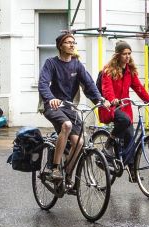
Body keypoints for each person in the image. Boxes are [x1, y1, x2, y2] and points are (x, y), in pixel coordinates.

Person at [37, 32, 105, 185]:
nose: (72, 44)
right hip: (52, 106)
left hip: (70, 108)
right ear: (60, 46)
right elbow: (43, 84)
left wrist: (99, 99)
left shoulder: (77, 65)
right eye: (68, 42)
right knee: (66, 126)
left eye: (73, 42)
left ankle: (67, 174)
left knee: (79, 142)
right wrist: (51, 98)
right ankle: (54, 168)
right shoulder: (51, 63)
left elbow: (89, 84)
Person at [98, 40, 149, 156]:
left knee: (130, 140)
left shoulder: (130, 71)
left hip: (125, 108)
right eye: (124, 54)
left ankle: (132, 172)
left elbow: (139, 88)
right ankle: (109, 142)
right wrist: (112, 99)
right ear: (118, 55)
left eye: (129, 53)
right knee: (124, 121)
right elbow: (106, 88)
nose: (127, 56)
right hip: (111, 107)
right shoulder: (108, 71)